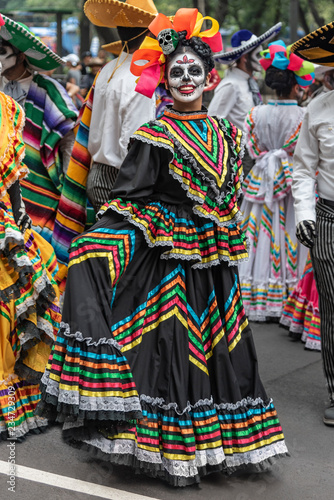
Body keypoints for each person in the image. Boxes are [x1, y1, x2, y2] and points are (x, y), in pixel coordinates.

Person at [36, 8, 288, 486]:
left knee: (217, 351)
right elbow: (132, 198)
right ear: (164, 81)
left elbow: (230, 196)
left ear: (210, 78)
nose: (186, 79)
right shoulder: (155, 135)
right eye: (176, 72)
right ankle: (163, 444)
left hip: (214, 267)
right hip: (167, 260)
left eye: (195, 71)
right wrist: (96, 245)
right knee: (167, 348)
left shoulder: (232, 135)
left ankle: (211, 446)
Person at [52, 0, 159, 262]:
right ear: (147, 32)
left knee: (106, 255)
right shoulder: (140, 77)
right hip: (122, 180)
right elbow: (135, 146)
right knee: (126, 261)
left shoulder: (109, 70)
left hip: (97, 173)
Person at [0, 71, 61, 439]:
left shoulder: (8, 108)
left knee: (7, 312)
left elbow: (14, 176)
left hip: (3, 221)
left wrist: (20, 212)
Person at [0, 14, 78, 288]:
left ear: (20, 56)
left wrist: (70, 192)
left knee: (36, 274)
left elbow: (68, 140)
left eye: (2, 50)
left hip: (40, 192)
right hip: (3, 195)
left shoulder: (46, 91)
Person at [238, 41, 314, 322]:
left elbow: (250, 149)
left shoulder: (255, 114)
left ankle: (258, 293)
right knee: (290, 233)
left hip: (261, 179)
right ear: (297, 86)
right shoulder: (304, 116)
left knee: (260, 235)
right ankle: (289, 295)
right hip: (292, 182)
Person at [290, 23, 334, 426]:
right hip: (329, 219)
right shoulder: (317, 109)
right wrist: (304, 213)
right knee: (333, 311)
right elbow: (303, 168)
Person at [208, 24, 281, 176]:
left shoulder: (250, 82)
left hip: (254, 153)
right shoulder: (230, 85)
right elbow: (212, 122)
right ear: (245, 57)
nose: (261, 59)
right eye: (257, 55)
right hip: (240, 156)